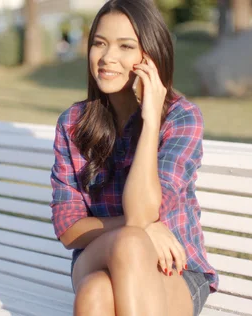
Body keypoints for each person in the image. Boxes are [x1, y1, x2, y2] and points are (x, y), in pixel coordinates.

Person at [50, 0, 218, 315]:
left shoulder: (181, 118)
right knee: (128, 242)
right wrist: (136, 229)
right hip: (96, 257)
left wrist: (151, 119)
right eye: (99, 43)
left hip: (174, 269)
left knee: (96, 294)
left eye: (126, 46)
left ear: (150, 57)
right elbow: (69, 229)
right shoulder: (72, 123)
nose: (107, 57)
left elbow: (143, 213)